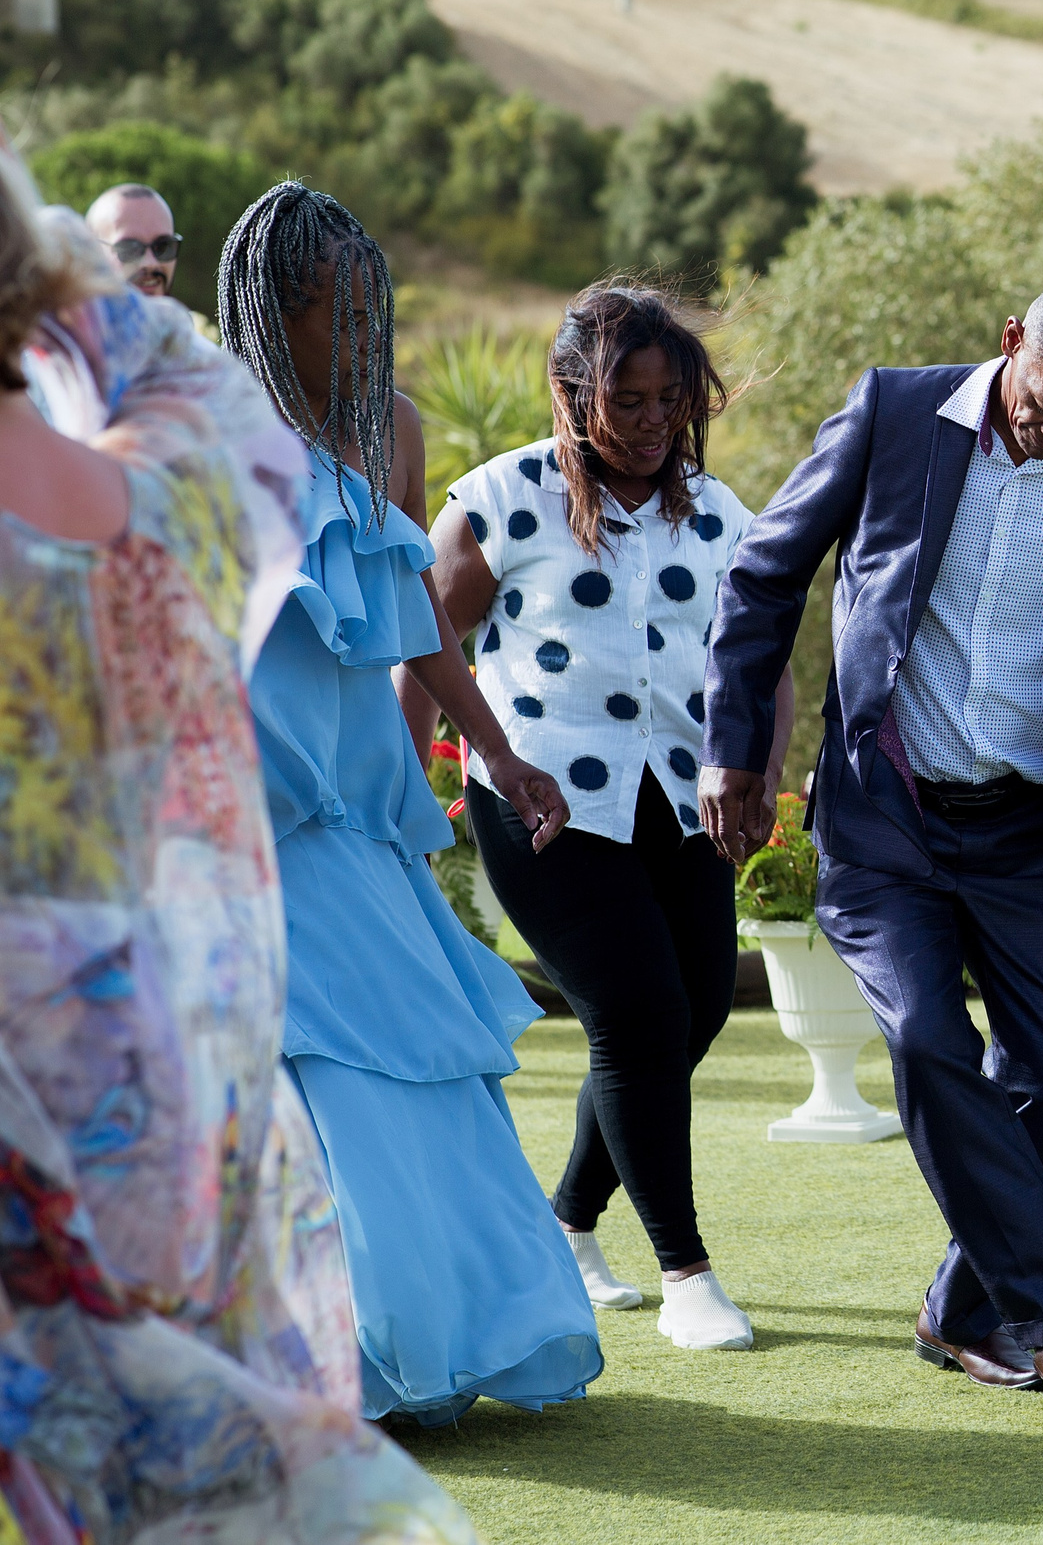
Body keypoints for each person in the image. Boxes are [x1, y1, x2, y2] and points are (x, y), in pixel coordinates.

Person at [0, 151, 479, 1534]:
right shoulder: (180, 471)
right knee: (125, 1436)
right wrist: (47, 269)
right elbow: (146, 336)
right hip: (120, 1030)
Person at [701, 268, 1043, 1428]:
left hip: (1032, 829)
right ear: (1014, 338)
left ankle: (959, 1311)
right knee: (928, 1041)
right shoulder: (891, 412)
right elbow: (764, 578)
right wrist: (733, 749)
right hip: (886, 813)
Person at [222, 181, 603, 1425]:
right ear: (283, 312)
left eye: (378, 309)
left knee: (422, 1072)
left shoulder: (380, 436)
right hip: (252, 827)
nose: (369, 337)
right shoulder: (205, 443)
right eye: (348, 312)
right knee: (317, 1075)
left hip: (361, 830)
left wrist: (496, 750)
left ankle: (445, 1339)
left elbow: (416, 613)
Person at [427, 283, 785, 1354]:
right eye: (627, 399)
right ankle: (687, 1273)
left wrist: (757, 769)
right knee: (635, 1016)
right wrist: (469, 763)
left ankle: (567, 1226)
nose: (649, 421)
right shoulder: (500, 497)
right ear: (575, 392)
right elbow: (427, 638)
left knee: (698, 1011)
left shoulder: (720, 515)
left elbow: (758, 664)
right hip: (541, 802)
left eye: (669, 400)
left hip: (684, 801)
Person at [84, 182, 181, 297]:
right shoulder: (63, 314)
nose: (150, 263)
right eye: (130, 249)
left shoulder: (184, 315)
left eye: (163, 246)